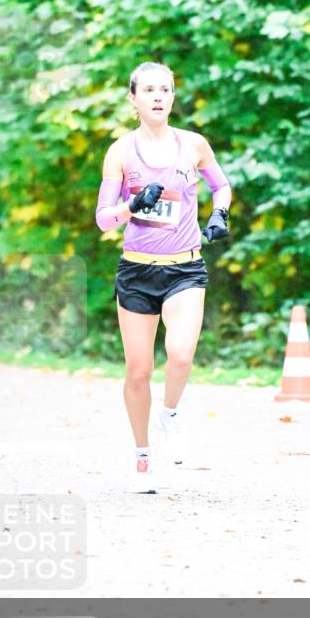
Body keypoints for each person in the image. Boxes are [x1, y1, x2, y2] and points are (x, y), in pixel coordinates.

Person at [95, 61, 231, 492]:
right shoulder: (120, 152)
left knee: (181, 354)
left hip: (185, 269)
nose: (158, 96)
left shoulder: (193, 145)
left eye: (166, 89)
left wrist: (220, 214)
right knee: (138, 371)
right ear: (133, 99)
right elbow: (102, 220)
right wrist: (132, 206)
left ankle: (170, 414)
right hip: (136, 272)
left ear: (173, 97)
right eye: (149, 90)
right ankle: (142, 458)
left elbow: (221, 186)